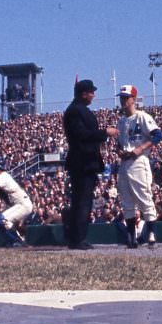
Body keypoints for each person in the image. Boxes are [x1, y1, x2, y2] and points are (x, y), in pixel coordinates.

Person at [61, 79, 117, 249]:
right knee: (82, 201)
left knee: (82, 200)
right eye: (91, 92)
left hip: (85, 161)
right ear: (83, 93)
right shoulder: (75, 111)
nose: (93, 95)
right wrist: (104, 133)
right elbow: (81, 134)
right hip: (82, 162)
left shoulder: (78, 110)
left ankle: (77, 238)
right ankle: (78, 239)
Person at [115, 84, 162, 248]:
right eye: (121, 97)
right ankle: (131, 237)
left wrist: (141, 148)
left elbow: (158, 135)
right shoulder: (121, 121)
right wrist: (119, 151)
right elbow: (119, 143)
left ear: (133, 99)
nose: (123, 100)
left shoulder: (142, 116)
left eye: (126, 97)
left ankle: (151, 233)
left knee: (144, 198)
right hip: (125, 162)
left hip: (139, 160)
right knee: (127, 201)